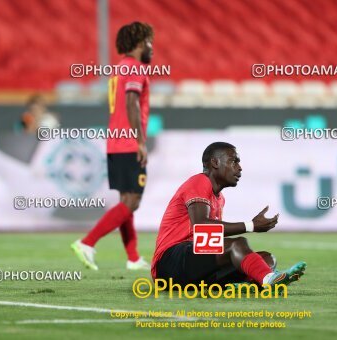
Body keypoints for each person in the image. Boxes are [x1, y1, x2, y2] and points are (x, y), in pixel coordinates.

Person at [151, 142, 306, 288]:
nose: (239, 168)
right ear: (215, 163)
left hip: (191, 264)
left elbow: (208, 241)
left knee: (266, 259)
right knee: (238, 244)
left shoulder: (220, 198)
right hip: (168, 263)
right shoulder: (200, 181)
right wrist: (251, 226)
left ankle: (251, 283)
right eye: (234, 161)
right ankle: (268, 280)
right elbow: (201, 226)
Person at [71, 22, 154, 271]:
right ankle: (87, 242)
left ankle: (132, 258)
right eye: (150, 42)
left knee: (126, 201)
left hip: (114, 142)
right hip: (128, 142)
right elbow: (131, 103)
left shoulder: (119, 69)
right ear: (140, 44)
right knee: (132, 202)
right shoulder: (136, 69)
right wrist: (140, 141)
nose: (152, 48)